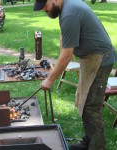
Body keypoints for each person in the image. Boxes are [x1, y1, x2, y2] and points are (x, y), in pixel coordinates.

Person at [33, 0, 117, 149]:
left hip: (99, 60)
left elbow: (67, 54)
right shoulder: (67, 7)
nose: (44, 11)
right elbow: (65, 37)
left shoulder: (69, 12)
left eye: (44, 7)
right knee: (84, 102)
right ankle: (89, 141)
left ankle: (97, 147)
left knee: (91, 107)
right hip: (91, 58)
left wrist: (51, 79)